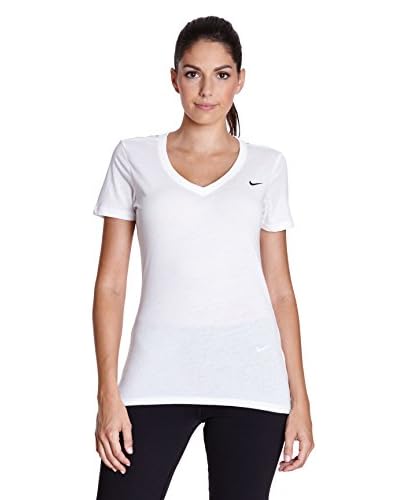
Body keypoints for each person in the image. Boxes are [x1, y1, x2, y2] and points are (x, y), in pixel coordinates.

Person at [92, 15, 314, 500]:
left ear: (240, 80)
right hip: (154, 378)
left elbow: (280, 290)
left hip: (252, 381)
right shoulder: (133, 158)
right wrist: (108, 392)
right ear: (175, 78)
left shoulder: (268, 166)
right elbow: (111, 284)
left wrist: (300, 400)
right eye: (193, 73)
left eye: (221, 74)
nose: (207, 90)